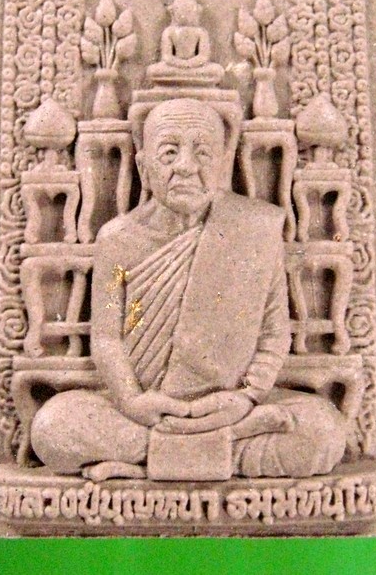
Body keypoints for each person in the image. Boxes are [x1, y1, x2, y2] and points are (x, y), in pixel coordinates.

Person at [31, 98, 346, 480]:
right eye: (169, 152)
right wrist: (132, 400)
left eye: (202, 153)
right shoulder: (118, 239)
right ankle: (221, 449)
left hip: (231, 408)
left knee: (324, 431)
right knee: (53, 427)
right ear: (144, 166)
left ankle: (154, 459)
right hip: (145, 412)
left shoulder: (254, 228)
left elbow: (274, 332)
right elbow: (107, 338)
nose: (185, 166)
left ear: (222, 165)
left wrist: (247, 396)